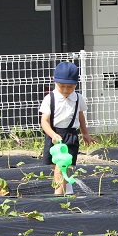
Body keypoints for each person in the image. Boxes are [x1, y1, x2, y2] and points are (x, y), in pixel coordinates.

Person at [39, 61, 96, 195]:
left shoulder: (78, 98)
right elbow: (44, 121)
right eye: (62, 86)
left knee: (63, 166)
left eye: (70, 87)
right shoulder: (50, 98)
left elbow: (80, 117)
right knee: (58, 166)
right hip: (54, 135)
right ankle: (66, 192)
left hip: (70, 135)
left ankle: (59, 197)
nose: (65, 90)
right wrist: (52, 135)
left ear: (76, 84)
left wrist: (85, 134)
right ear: (55, 82)